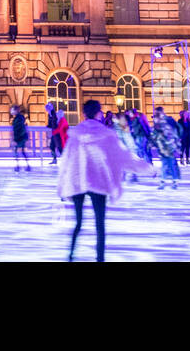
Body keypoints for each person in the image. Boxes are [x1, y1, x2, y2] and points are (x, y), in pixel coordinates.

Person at [57, 98, 148, 261]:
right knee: (100, 225)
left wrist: (62, 185)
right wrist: (147, 169)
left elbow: (66, 160)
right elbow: (123, 156)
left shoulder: (76, 134)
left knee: (78, 223)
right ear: (99, 113)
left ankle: (70, 255)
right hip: (98, 181)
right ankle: (100, 258)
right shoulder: (106, 134)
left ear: (84, 114)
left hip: (78, 180)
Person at [150, 109, 180, 189]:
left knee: (170, 165)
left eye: (155, 118)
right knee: (165, 165)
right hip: (163, 149)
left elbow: (171, 135)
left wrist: (175, 146)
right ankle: (164, 182)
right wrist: (152, 143)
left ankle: (174, 182)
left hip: (169, 148)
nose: (154, 120)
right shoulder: (157, 126)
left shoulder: (165, 124)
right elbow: (154, 136)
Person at [10, 104, 30, 171]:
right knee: (21, 151)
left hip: (20, 138)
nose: (11, 111)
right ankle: (25, 165)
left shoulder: (18, 118)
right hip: (21, 137)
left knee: (17, 151)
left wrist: (15, 139)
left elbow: (18, 129)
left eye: (13, 110)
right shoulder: (19, 118)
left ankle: (20, 166)